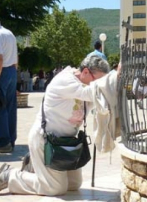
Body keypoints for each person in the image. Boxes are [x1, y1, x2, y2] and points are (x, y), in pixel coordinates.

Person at [0, 55, 110, 195]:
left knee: (73, 185)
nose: (98, 85)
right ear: (86, 72)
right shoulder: (65, 80)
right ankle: (10, 175)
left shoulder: (86, 84)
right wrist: (114, 78)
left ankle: (34, 167)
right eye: (97, 81)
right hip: (46, 140)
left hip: (67, 143)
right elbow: (91, 93)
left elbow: (101, 99)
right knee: (55, 188)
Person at [0, 23, 18, 154]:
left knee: (1, 106)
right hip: (12, 69)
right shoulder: (9, 33)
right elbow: (16, 58)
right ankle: (11, 139)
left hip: (3, 71)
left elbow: (0, 58)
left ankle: (4, 142)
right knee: (11, 106)